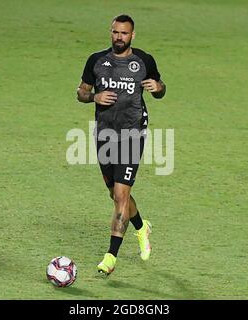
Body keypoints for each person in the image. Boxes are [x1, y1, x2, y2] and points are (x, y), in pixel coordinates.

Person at [76, 14, 166, 275]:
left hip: (132, 134)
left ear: (132, 36)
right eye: (115, 32)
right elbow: (81, 93)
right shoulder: (96, 61)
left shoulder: (144, 61)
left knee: (120, 196)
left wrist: (157, 87)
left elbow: (161, 89)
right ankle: (141, 226)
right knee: (114, 194)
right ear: (110, 32)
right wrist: (94, 96)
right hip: (105, 134)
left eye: (124, 33)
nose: (119, 37)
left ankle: (110, 257)